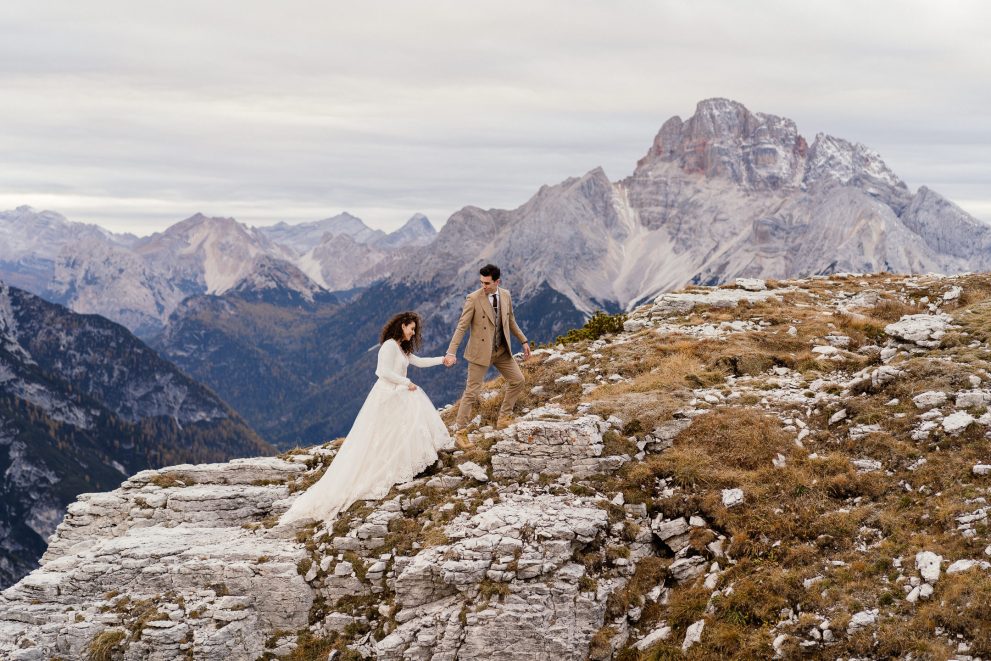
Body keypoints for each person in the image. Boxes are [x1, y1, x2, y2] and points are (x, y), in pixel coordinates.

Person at [280, 311, 451, 524]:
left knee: (399, 430)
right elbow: (382, 371)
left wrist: (441, 360)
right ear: (402, 326)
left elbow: (418, 361)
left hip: (397, 394)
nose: (413, 333)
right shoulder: (389, 345)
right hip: (387, 395)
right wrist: (405, 383)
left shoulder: (401, 347)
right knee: (380, 435)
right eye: (411, 328)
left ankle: (405, 464)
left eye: (415, 330)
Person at [444, 264, 530, 447]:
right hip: (480, 353)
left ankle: (504, 418)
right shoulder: (473, 299)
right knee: (472, 392)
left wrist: (523, 340)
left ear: (497, 281)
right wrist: (451, 352)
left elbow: (511, 320)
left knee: (518, 380)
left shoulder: (505, 295)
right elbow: (462, 326)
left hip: (501, 350)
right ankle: (460, 432)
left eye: (487, 283)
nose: (483, 286)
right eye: (481, 282)